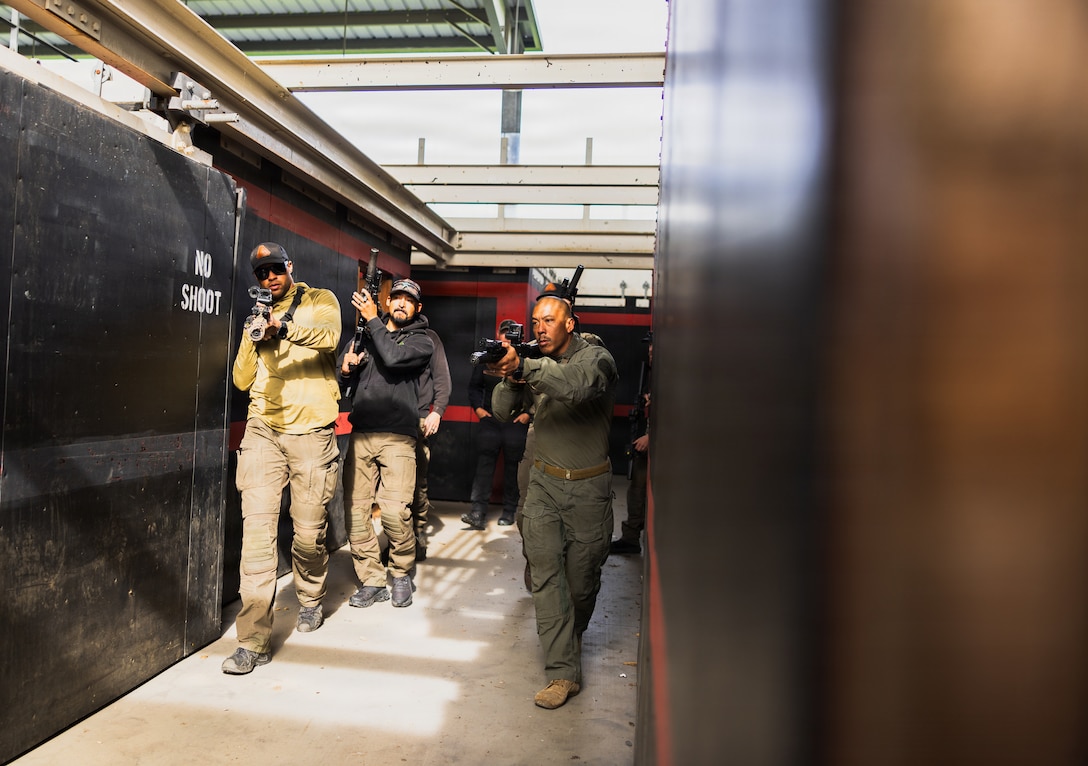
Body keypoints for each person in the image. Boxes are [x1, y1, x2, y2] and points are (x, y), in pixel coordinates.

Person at [487, 292, 618, 710]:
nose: (540, 328)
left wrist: (525, 368)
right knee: (545, 576)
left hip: (588, 491)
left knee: (581, 584)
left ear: (570, 324)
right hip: (543, 485)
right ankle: (561, 672)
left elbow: (577, 387)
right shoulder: (533, 363)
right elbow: (502, 411)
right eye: (536, 321)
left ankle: (569, 641)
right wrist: (511, 379)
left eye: (549, 320)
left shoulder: (597, 359)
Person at [223, 242, 343, 675]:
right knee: (256, 538)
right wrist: (254, 333)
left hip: (311, 429)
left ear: (289, 266)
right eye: (261, 273)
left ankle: (310, 597)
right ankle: (252, 641)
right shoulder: (257, 315)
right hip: (263, 430)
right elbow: (241, 381)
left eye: (275, 268)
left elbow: (329, 338)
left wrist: (283, 327)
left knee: (308, 534)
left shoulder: (319, 300)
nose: (269, 277)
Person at [339, 278, 433, 609]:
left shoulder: (422, 341)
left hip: (398, 437)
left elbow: (392, 358)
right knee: (355, 513)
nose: (402, 303)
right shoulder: (364, 335)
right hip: (362, 433)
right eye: (397, 297)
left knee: (394, 512)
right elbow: (344, 379)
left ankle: (401, 572)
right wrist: (346, 369)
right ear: (388, 301)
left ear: (417, 307)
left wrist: (372, 319)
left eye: (409, 299)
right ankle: (372, 580)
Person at [462, 319, 532, 530]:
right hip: (490, 421)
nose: (506, 339)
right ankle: (477, 512)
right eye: (503, 334)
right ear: (498, 336)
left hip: (515, 422)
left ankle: (509, 511)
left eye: (510, 335)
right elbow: (474, 387)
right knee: (484, 466)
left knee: (513, 468)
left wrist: (528, 414)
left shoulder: (525, 359)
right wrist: (478, 409)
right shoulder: (488, 359)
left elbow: (537, 390)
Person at [412, 326, 450, 560]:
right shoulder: (381, 331)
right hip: (386, 420)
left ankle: (416, 534)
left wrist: (437, 411)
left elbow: (442, 379)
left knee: (417, 482)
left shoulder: (430, 336)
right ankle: (397, 540)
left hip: (417, 419)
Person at [612, 334, 652, 555]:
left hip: (652, 444)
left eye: (654, 350)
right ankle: (631, 537)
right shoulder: (651, 375)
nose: (650, 353)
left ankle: (631, 537)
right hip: (644, 442)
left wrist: (650, 436)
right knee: (635, 490)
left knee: (638, 492)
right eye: (650, 350)